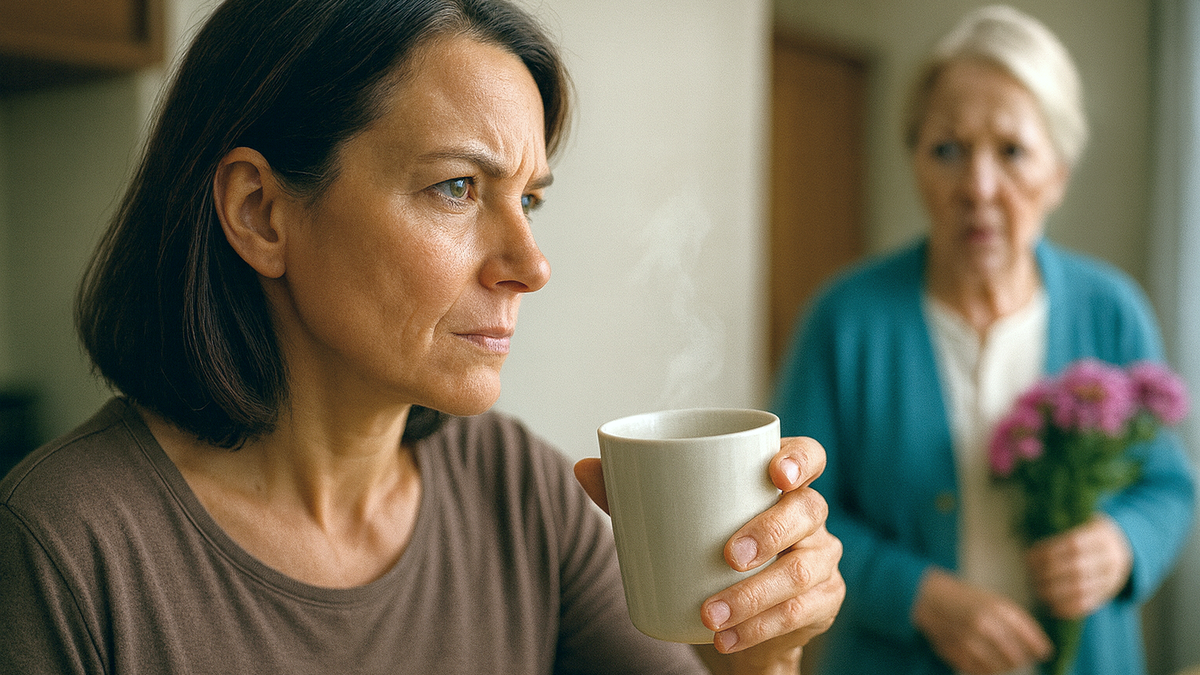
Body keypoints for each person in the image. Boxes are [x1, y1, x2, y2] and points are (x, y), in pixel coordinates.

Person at [0, 0, 845, 673]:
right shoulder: (65, 549)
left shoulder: (523, 495)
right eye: (455, 187)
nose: (531, 263)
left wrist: (760, 655)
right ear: (261, 212)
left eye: (530, 199)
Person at [770, 5, 1195, 675]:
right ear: (913, 159)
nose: (978, 186)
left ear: (1059, 170)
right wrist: (922, 597)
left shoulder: (1111, 309)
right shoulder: (844, 319)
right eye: (947, 148)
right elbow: (790, 512)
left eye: (1012, 151)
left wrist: (1122, 544)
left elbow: (1169, 485)